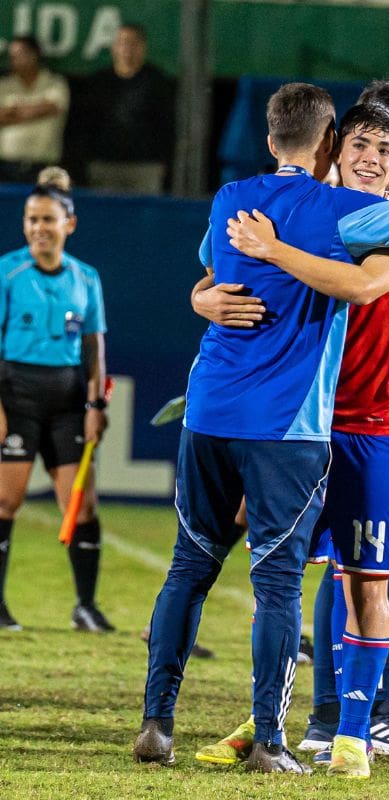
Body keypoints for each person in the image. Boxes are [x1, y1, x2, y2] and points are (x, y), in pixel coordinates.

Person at [133, 82, 389, 774]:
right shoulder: (344, 211)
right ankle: (280, 727)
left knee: (365, 579)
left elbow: (366, 285)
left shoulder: (365, 214)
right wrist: (205, 298)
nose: (375, 156)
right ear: (331, 148)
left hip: (366, 422)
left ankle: (351, 731)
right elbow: (213, 273)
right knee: (288, 583)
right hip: (296, 427)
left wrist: (273, 249)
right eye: (362, 144)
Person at [0, 180, 110, 633]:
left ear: (70, 224)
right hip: (17, 396)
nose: (38, 228)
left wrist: (95, 402)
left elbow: (93, 346)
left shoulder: (86, 278)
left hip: (68, 402)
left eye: (47, 219)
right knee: (6, 501)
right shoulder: (7, 272)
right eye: (31, 219)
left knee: (80, 507)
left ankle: (85, 606)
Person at [80, 23, 175, 193]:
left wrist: (164, 162)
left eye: (133, 43)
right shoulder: (99, 82)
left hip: (145, 167)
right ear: (113, 47)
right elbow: (86, 124)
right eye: (122, 42)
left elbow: (167, 126)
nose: (127, 48)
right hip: (104, 165)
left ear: (143, 47)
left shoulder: (157, 82)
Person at [0, 37, 69, 184]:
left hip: (44, 167)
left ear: (35, 55)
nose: (15, 60)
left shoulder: (55, 83)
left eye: (20, 54)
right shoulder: (4, 86)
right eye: (12, 56)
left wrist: (12, 112)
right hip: (6, 166)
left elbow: (51, 108)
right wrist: (36, 109)